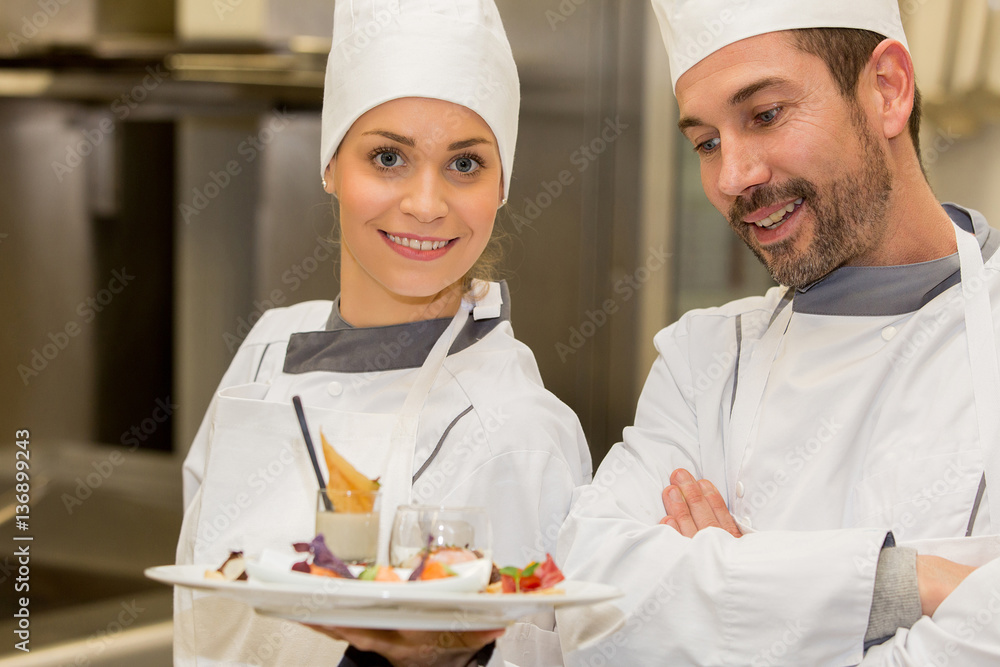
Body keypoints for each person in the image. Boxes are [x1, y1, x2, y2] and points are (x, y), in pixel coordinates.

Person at [555, 0, 1000, 664]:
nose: (733, 177)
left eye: (765, 115)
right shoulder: (702, 361)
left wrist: (736, 579)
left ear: (887, 90)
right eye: (706, 142)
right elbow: (588, 601)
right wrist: (906, 582)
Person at [173, 1, 592, 665]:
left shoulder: (523, 432)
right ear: (331, 165)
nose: (426, 203)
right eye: (389, 156)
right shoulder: (269, 346)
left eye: (464, 164)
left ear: (502, 183)